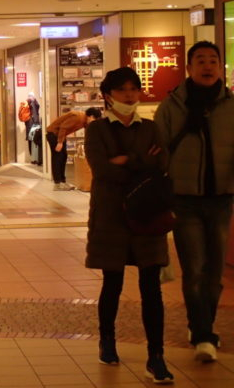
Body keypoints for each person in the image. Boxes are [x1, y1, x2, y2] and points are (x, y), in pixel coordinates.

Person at [85, 67, 174, 384]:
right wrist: (142, 162)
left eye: (134, 89)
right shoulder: (97, 130)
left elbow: (162, 165)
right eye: (122, 90)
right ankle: (107, 341)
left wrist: (125, 160)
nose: (129, 95)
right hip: (110, 217)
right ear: (108, 96)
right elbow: (102, 170)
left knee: (152, 288)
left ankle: (156, 355)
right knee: (113, 283)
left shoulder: (150, 128)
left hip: (147, 216)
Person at [154, 40, 234, 362]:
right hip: (183, 198)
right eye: (200, 60)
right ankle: (203, 335)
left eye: (213, 60)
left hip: (221, 198)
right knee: (195, 268)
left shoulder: (231, 105)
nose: (207, 66)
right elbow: (158, 151)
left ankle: (202, 324)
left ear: (220, 67)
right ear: (188, 68)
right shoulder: (172, 105)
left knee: (214, 273)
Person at [46, 107, 101, 190]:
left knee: (63, 156)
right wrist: (60, 142)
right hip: (53, 134)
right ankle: (57, 183)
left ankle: (62, 182)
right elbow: (63, 127)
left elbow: (88, 131)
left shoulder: (85, 121)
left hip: (60, 136)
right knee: (57, 158)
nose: (94, 122)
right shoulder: (78, 117)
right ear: (91, 116)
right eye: (94, 119)